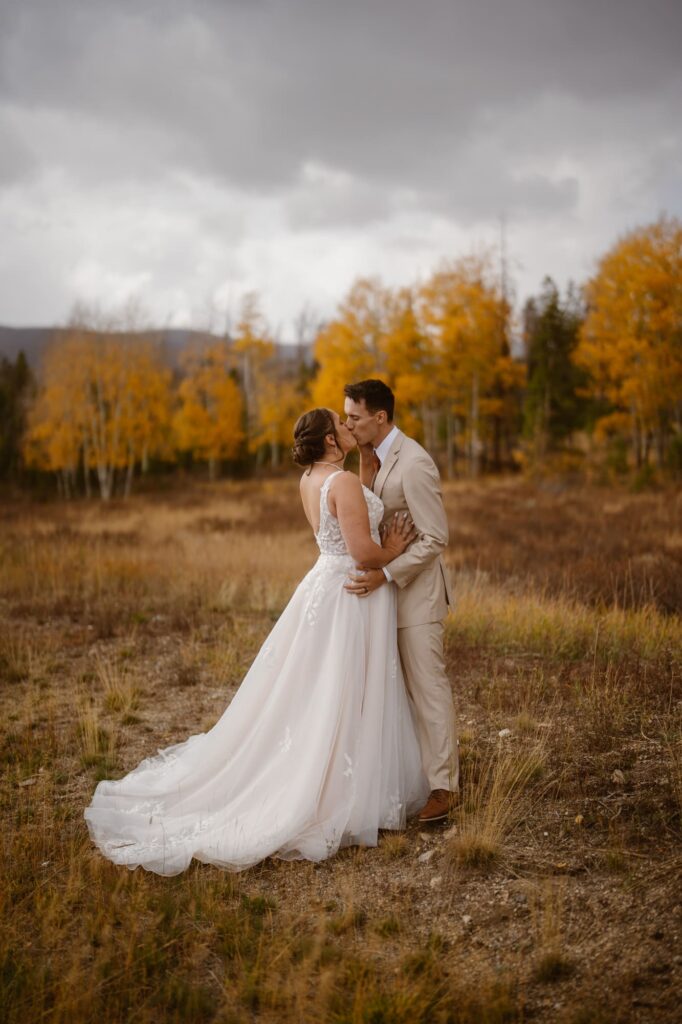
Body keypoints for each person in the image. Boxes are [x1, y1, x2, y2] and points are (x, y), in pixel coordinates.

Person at [84, 408, 429, 876]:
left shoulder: (314, 478)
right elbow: (364, 552)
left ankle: (336, 770)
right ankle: (334, 787)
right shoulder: (341, 484)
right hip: (350, 592)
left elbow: (350, 513)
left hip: (323, 586)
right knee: (343, 687)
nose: (351, 428)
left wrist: (366, 462)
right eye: (343, 425)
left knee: (321, 690)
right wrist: (395, 548)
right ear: (331, 439)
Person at [343, 380, 458, 823]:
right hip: (383, 598)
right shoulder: (369, 458)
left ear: (381, 418)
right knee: (394, 694)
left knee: (428, 690)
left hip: (416, 598)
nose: (349, 423)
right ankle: (409, 779)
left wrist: (386, 573)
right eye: (346, 416)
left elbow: (435, 537)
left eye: (355, 416)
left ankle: (445, 787)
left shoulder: (414, 463)